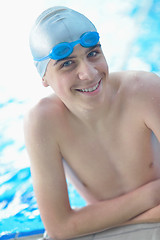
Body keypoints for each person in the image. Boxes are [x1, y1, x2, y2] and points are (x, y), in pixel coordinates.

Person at [24, 6, 160, 240]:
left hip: (104, 223)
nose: (88, 73)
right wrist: (153, 195)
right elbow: (59, 228)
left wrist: (96, 222)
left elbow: (67, 226)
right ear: (44, 78)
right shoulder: (42, 123)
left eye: (93, 53)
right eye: (67, 63)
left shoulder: (145, 90)